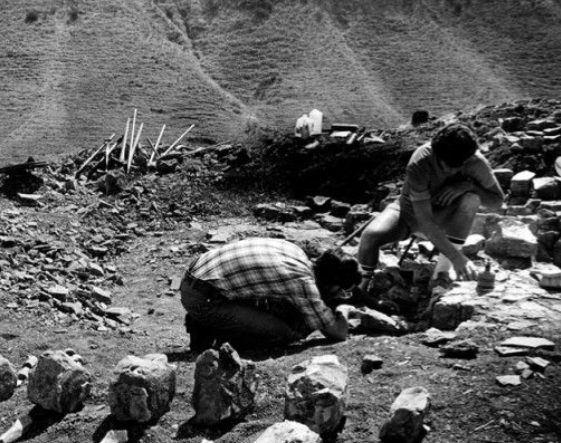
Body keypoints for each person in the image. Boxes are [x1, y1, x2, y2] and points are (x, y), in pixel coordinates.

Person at [357, 123, 505, 288]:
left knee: (471, 199)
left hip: (445, 216)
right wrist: (458, 257)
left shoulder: (476, 162)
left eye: (455, 167)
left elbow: (497, 202)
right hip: (408, 213)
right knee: (370, 237)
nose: (448, 172)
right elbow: (425, 221)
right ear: (435, 153)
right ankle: (361, 287)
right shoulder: (420, 161)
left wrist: (470, 186)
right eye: (443, 165)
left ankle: (441, 274)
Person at [180, 238, 360, 351]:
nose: (342, 295)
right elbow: (338, 333)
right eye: (342, 292)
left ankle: (210, 320)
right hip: (203, 298)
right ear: (332, 285)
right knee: (289, 334)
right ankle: (208, 326)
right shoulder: (303, 284)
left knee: (271, 306)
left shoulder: (295, 251)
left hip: (197, 274)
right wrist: (342, 309)